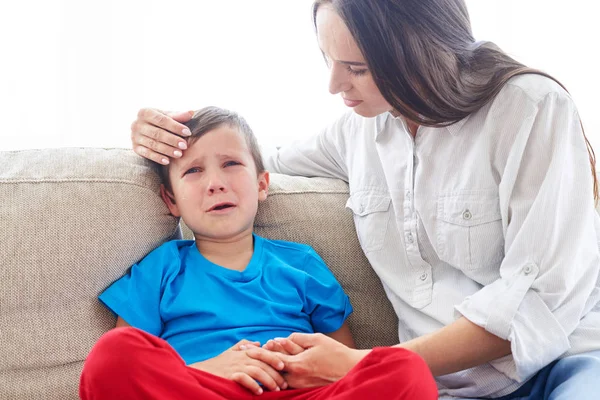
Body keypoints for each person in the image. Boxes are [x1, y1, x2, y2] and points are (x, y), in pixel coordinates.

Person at [129, 1, 600, 399]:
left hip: (561, 367)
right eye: (328, 59)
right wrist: (162, 137)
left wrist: (358, 363)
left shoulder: (531, 108)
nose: (335, 85)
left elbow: (540, 299)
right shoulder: (359, 131)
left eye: (356, 68)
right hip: (440, 389)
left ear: (423, 52)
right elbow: (249, 162)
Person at [80, 106, 438, 400]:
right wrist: (206, 369)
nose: (215, 182)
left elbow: (341, 360)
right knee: (113, 355)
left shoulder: (301, 262)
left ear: (261, 184)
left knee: (405, 370)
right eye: (193, 171)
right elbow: (134, 357)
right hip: (202, 388)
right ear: (171, 200)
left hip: (293, 390)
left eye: (231, 164)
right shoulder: (163, 267)